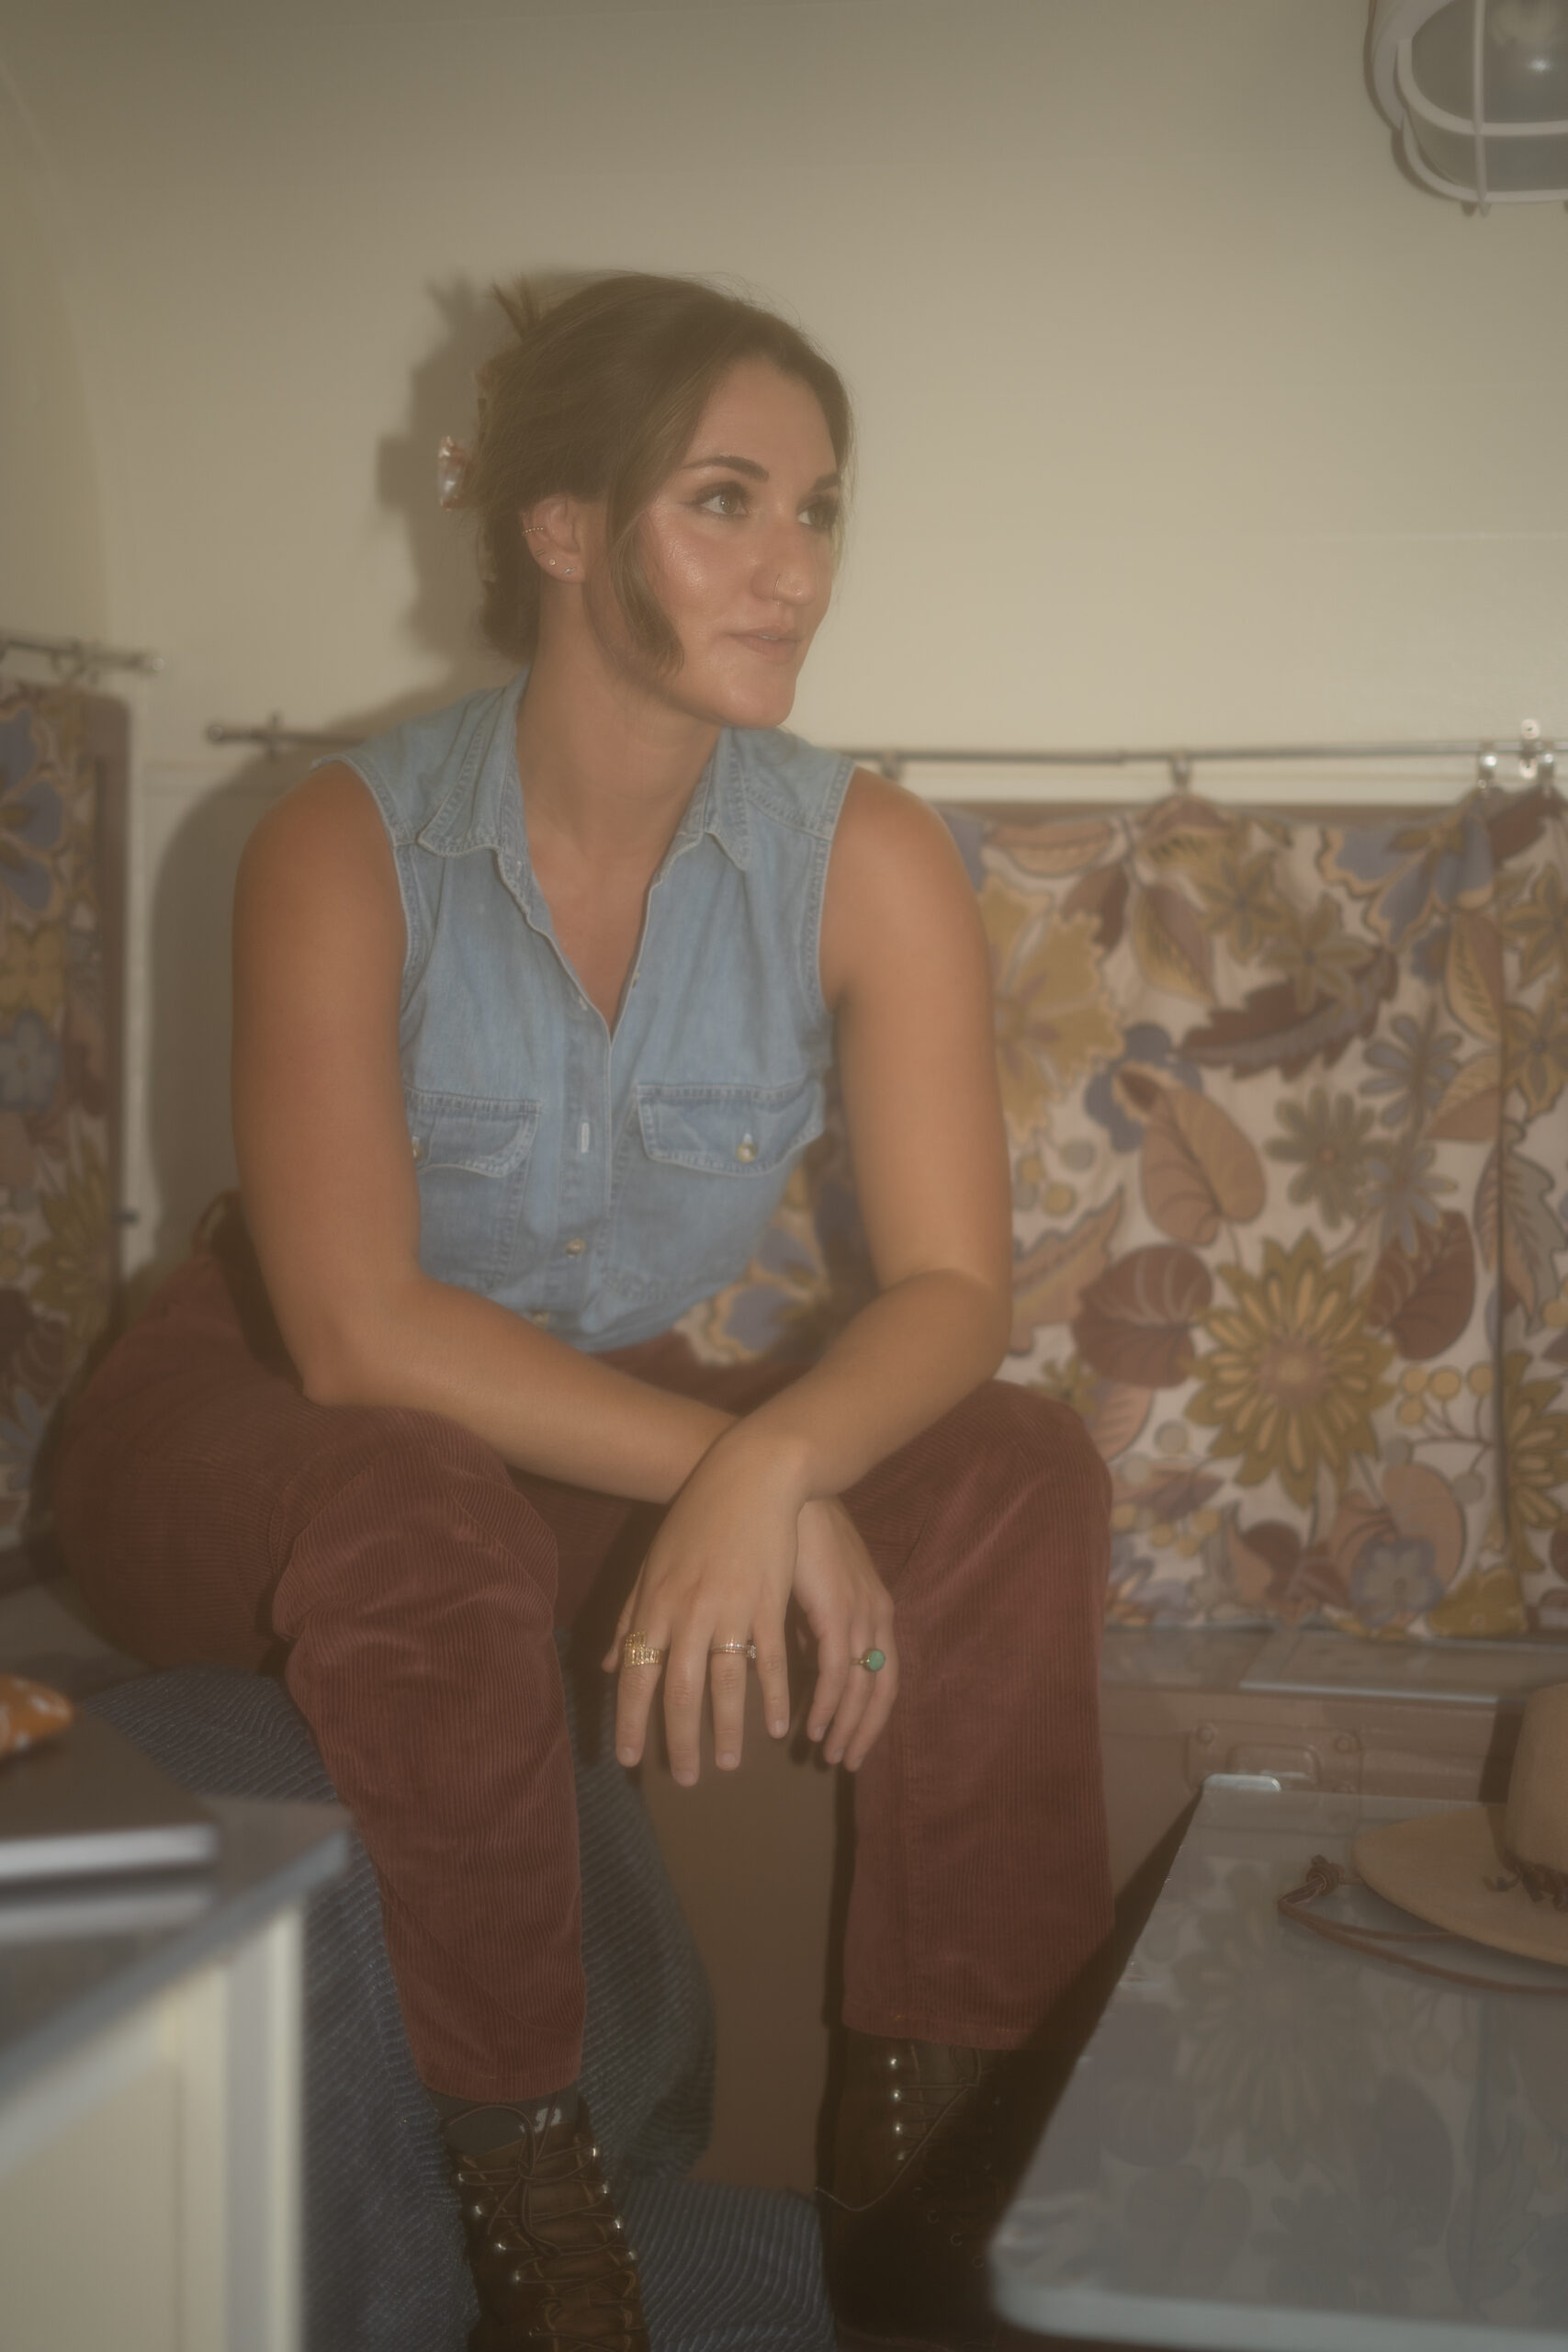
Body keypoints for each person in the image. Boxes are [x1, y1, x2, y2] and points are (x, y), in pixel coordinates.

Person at [53, 273, 1113, 2352]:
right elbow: (355, 1332)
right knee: (415, 1506)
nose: (791, 568)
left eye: (817, 510)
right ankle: (549, 2245)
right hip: (255, 1424)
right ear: (557, 523)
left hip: (577, 1430)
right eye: (724, 500)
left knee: (1012, 1470)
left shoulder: (863, 852)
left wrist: (784, 1456)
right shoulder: (337, 841)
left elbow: (949, 1289)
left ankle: (935, 2218)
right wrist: (737, 1468)